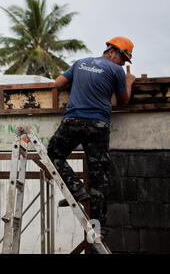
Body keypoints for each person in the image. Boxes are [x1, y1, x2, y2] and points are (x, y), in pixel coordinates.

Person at [47, 36, 136, 240]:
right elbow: (123, 101)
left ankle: (76, 188)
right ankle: (97, 229)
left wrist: (78, 81)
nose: (123, 63)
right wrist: (128, 81)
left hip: (73, 121)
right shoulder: (116, 71)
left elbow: (58, 83)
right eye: (123, 58)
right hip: (98, 125)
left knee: (53, 155)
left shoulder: (80, 63)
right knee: (99, 176)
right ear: (111, 51)